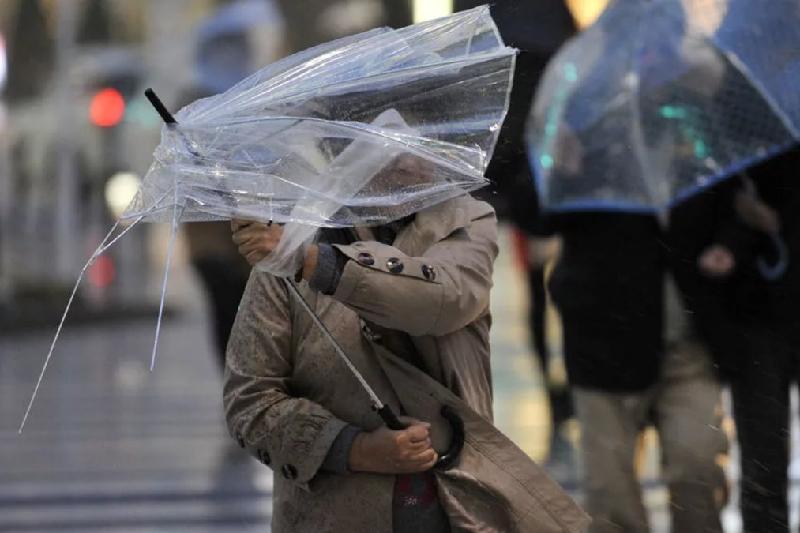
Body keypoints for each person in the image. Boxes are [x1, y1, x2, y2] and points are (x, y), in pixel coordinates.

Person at [221, 153, 588, 531]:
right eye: (387, 146)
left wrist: (313, 262)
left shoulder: (465, 221)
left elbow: (443, 300)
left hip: (453, 502)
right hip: (333, 513)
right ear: (347, 152)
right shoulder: (284, 258)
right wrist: (354, 449)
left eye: (419, 143)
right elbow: (250, 399)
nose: (410, 163)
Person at [689, 149, 800, 533]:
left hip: (768, 302)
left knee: (763, 455)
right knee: (762, 453)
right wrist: (737, 234)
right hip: (753, 312)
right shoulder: (730, 123)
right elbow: (710, 209)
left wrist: (779, 222)